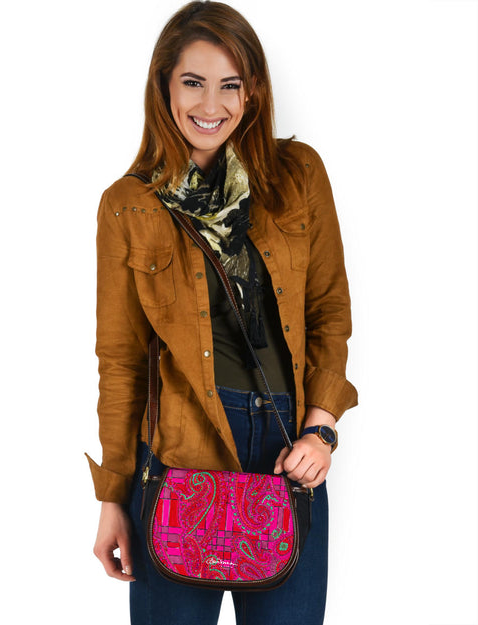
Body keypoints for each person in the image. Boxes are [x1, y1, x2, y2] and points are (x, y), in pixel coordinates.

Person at [85, 2, 358, 623]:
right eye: (193, 82)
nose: (212, 104)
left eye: (230, 84)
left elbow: (328, 309)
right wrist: (113, 498)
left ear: (251, 90)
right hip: (179, 455)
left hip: (288, 456)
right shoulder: (128, 205)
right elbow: (120, 361)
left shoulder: (298, 175)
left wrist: (321, 428)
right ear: (164, 86)